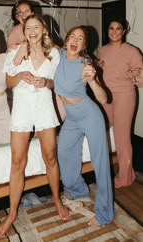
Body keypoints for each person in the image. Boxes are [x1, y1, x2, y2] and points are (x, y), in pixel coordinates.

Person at [0, 14, 69, 240]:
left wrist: (45, 82)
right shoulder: (14, 53)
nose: (33, 31)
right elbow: (8, 82)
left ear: (44, 30)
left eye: (37, 27)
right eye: (29, 28)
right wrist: (20, 74)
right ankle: (12, 213)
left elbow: (57, 82)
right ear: (23, 31)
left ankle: (56, 198)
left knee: (50, 157)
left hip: (45, 105)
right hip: (22, 107)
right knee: (17, 161)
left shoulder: (54, 53)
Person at [53, 26, 114, 227]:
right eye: (72, 36)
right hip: (72, 119)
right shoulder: (59, 54)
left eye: (80, 39)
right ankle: (79, 191)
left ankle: (105, 214)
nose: (75, 40)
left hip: (89, 115)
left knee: (101, 163)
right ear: (66, 40)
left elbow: (103, 98)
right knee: (63, 152)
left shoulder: (85, 64)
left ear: (83, 45)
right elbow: (40, 39)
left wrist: (92, 80)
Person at [98, 17, 143, 188]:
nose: (114, 31)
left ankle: (125, 177)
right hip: (106, 96)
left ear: (123, 32)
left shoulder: (132, 51)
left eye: (118, 28)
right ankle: (125, 171)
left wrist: (135, 74)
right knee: (107, 134)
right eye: (111, 28)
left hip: (125, 95)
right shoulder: (102, 50)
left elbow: (141, 79)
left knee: (122, 137)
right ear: (107, 31)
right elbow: (101, 73)